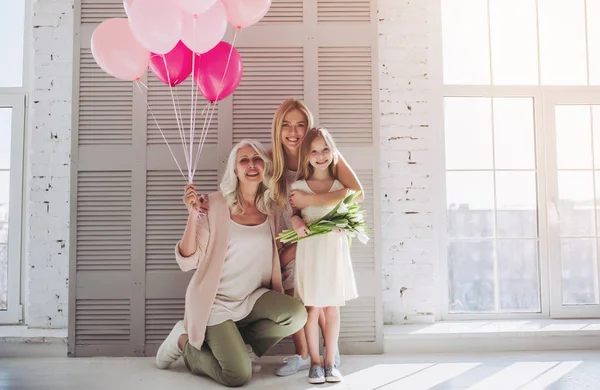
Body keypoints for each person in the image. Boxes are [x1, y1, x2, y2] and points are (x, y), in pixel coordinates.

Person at [154, 139, 307, 388]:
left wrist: (308, 242)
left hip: (252, 298)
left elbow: (277, 257)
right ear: (235, 170)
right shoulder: (213, 204)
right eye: (244, 160)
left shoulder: (272, 209)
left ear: (265, 166)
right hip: (216, 303)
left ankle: (234, 344)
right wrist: (192, 216)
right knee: (237, 376)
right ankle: (183, 342)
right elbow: (188, 261)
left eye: (257, 159)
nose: (252, 165)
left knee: (297, 315)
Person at [270, 99, 363, 377]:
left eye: (300, 124)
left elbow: (355, 192)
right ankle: (305, 354)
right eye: (286, 125)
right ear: (278, 129)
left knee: (321, 295)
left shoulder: (324, 152)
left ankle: (328, 355)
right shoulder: (272, 160)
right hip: (292, 231)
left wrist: (313, 199)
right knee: (295, 292)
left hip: (319, 235)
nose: (293, 131)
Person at [290, 128, 359, 384]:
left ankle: (331, 362)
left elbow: (351, 205)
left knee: (332, 308)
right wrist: (295, 219)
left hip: (333, 252)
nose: (320, 156)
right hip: (311, 252)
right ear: (306, 156)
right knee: (312, 308)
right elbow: (294, 212)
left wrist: (345, 221)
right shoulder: (298, 187)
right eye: (314, 151)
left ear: (333, 152)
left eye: (325, 150)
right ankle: (315, 363)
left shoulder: (342, 186)